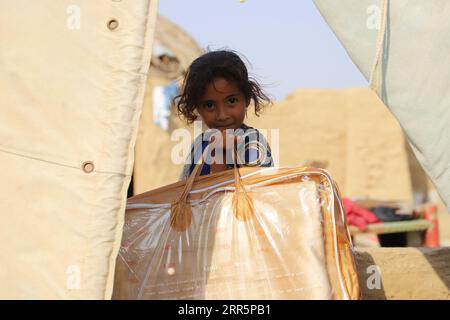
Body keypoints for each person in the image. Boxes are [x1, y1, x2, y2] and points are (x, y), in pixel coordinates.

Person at [174, 50, 274, 180]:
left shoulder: (252, 143)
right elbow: (185, 190)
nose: (222, 115)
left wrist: (219, 155)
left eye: (231, 101)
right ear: (198, 107)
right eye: (209, 105)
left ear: (247, 98)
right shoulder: (199, 144)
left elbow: (251, 194)